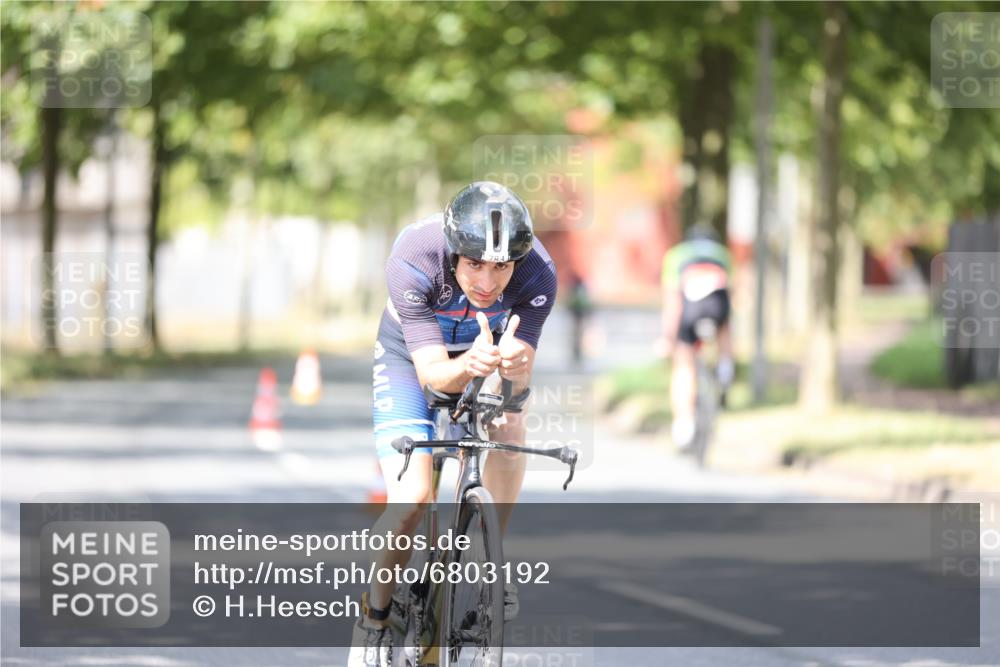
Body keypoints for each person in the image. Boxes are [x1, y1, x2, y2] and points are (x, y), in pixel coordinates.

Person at [349, 181, 558, 666]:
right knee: (412, 501)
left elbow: (520, 373)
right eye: (475, 265)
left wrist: (510, 375)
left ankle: (491, 564)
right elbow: (434, 375)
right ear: (454, 254)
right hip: (412, 355)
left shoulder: (539, 273)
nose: (488, 282)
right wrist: (472, 364)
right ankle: (375, 616)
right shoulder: (415, 255)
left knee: (509, 426)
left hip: (482, 354)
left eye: (501, 267)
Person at [659, 225, 735, 450]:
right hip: (718, 306)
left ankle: (683, 423)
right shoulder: (723, 255)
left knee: (683, 363)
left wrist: (667, 338)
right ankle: (725, 366)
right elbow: (731, 294)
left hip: (690, 309)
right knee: (725, 325)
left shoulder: (676, 255)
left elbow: (672, 302)